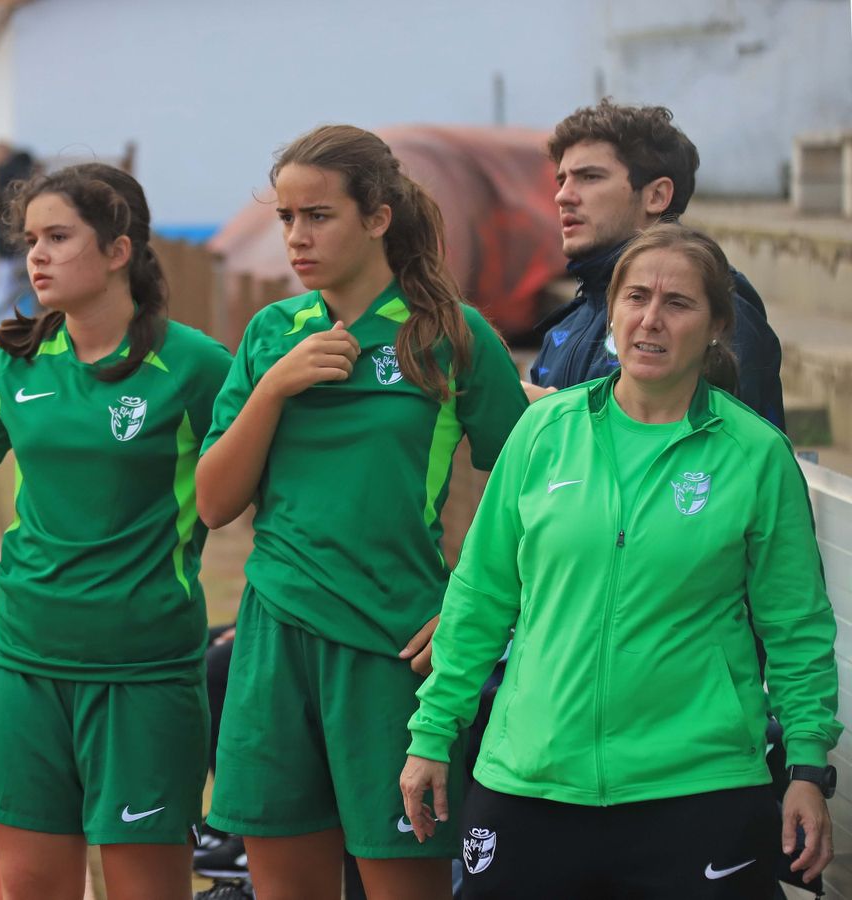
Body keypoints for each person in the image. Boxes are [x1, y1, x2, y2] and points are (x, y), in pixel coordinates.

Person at [402, 224, 840, 899]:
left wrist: (808, 770)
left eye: (678, 303)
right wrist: (433, 734)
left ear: (718, 324)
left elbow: (796, 625)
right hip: (532, 774)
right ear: (611, 311)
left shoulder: (756, 455)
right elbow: (481, 593)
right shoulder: (545, 433)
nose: (651, 319)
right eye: (636, 297)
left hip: (700, 786)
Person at [195, 124, 529, 900]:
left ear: (378, 217)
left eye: (319, 216)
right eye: (285, 218)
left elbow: (536, 493)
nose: (296, 238)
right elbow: (214, 501)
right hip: (273, 644)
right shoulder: (272, 334)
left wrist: (476, 613)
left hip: (394, 648)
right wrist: (275, 387)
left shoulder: (449, 335)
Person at [0, 162, 232, 900]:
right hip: (25, 662)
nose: (36, 255)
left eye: (58, 237)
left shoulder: (194, 366)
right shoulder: (17, 359)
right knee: (32, 887)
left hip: (145, 673)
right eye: (31, 238)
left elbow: (267, 486)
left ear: (119, 249)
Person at [527, 99, 784, 430]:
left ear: (656, 196)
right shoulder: (568, 325)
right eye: (561, 180)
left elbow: (721, 452)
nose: (563, 196)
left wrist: (554, 416)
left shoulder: (718, 307)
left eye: (589, 177)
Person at [0, 140, 39, 317]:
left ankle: (7, 332)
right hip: (25, 246)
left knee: (3, 294)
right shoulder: (26, 172)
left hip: (8, 248)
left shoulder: (6, 175)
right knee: (25, 294)